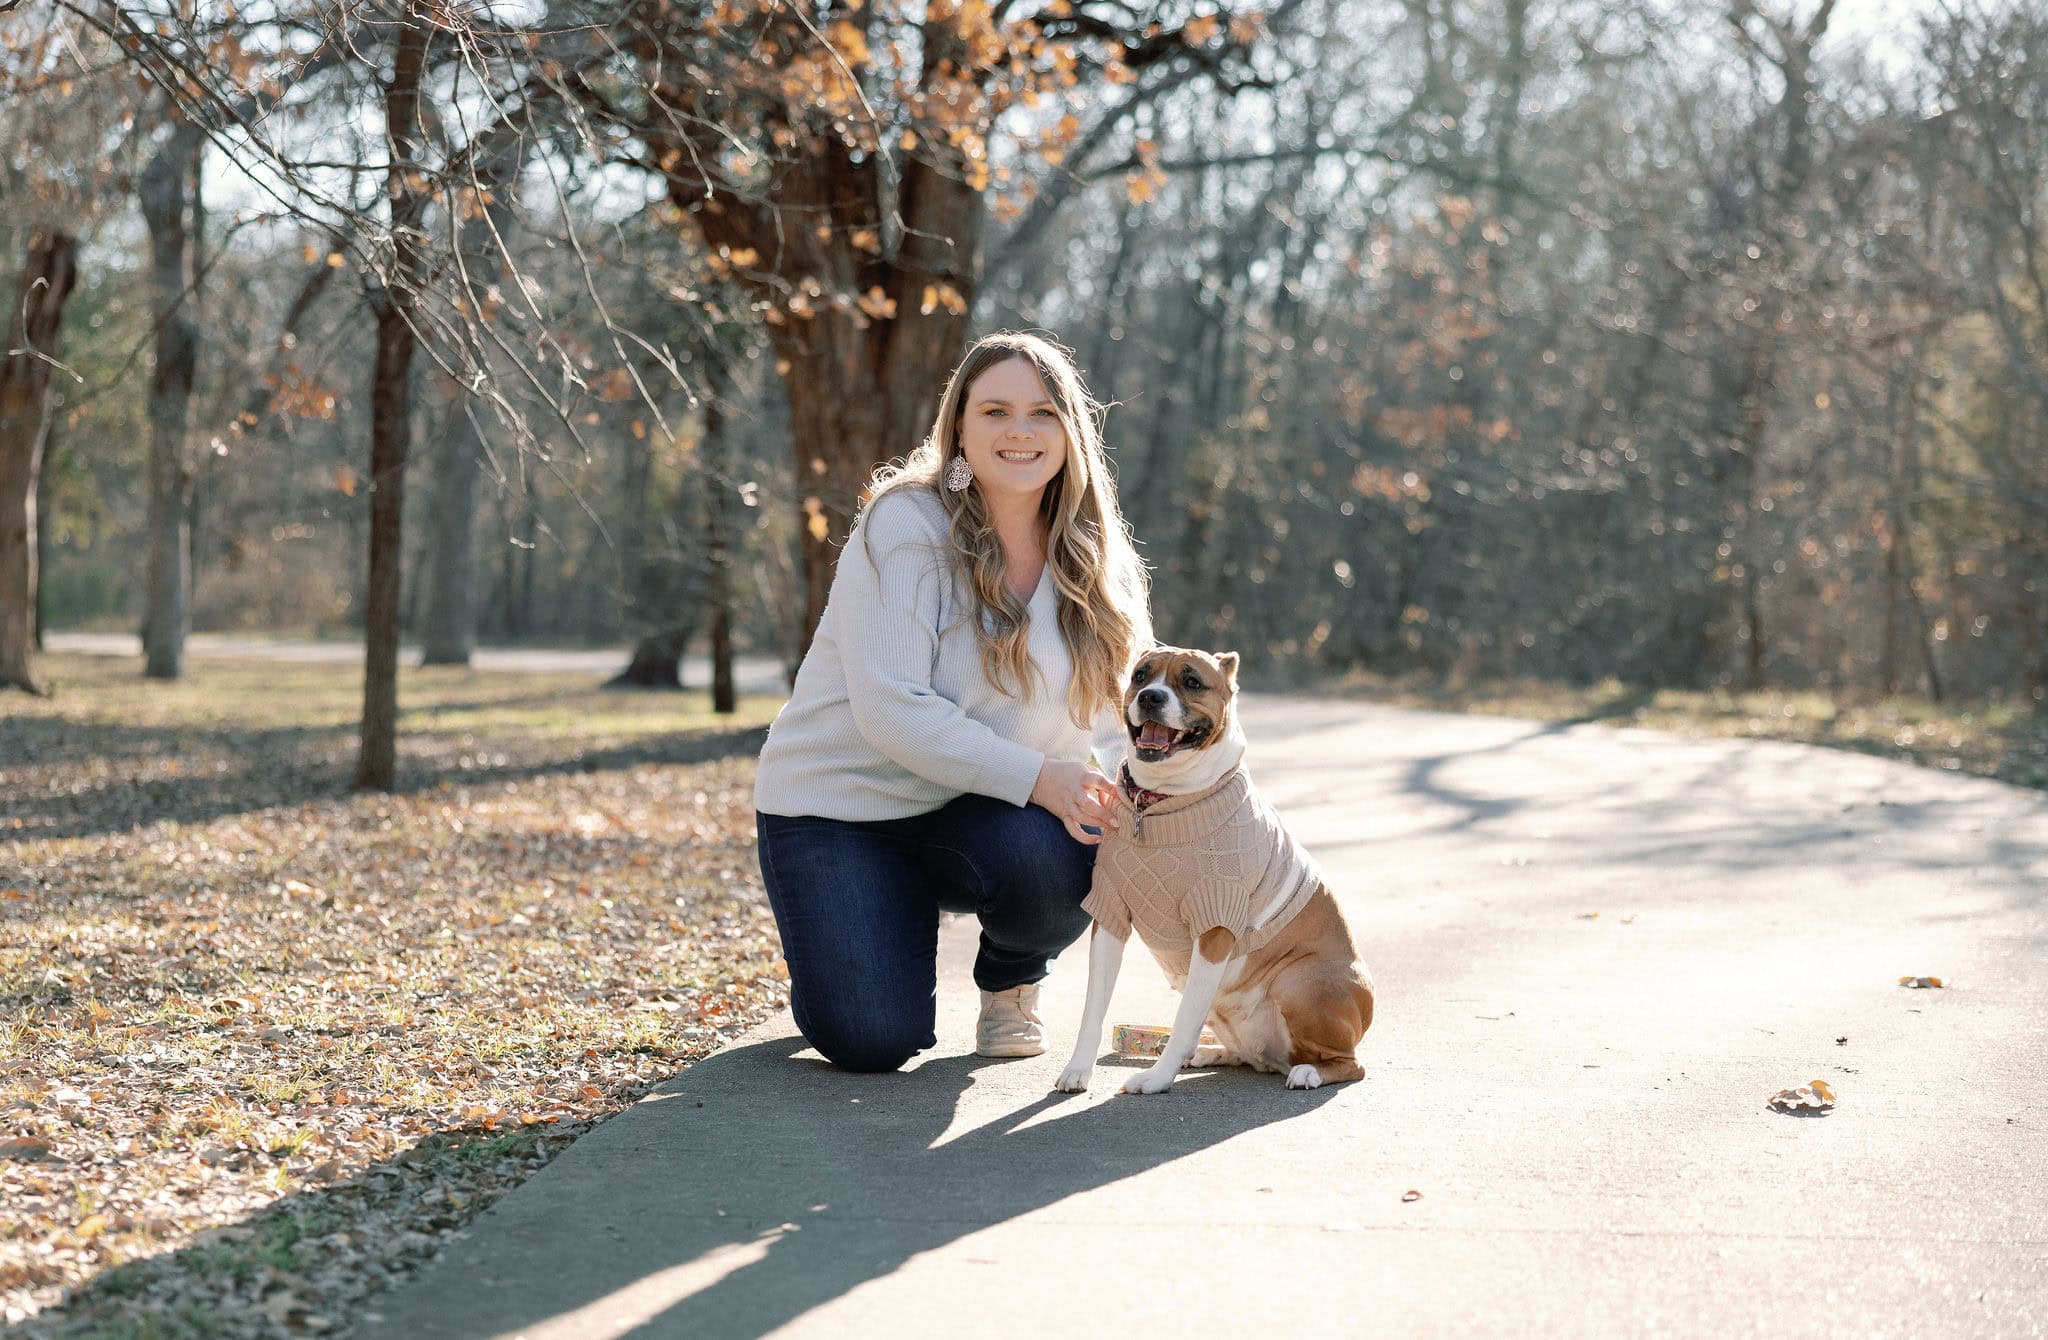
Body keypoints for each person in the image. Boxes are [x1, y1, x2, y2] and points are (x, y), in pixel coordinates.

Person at [752, 331, 1152, 1072]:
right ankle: (855, 942)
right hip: (842, 811)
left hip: (976, 814)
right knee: (872, 1040)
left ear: (1072, 430)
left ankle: (1011, 982)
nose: (1020, 431)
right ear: (959, 428)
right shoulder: (907, 526)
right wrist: (1040, 777)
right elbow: (892, 708)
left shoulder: (1098, 557)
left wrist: (1177, 813)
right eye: (995, 411)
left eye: (1042, 412)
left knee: (1077, 845)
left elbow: (1123, 720)